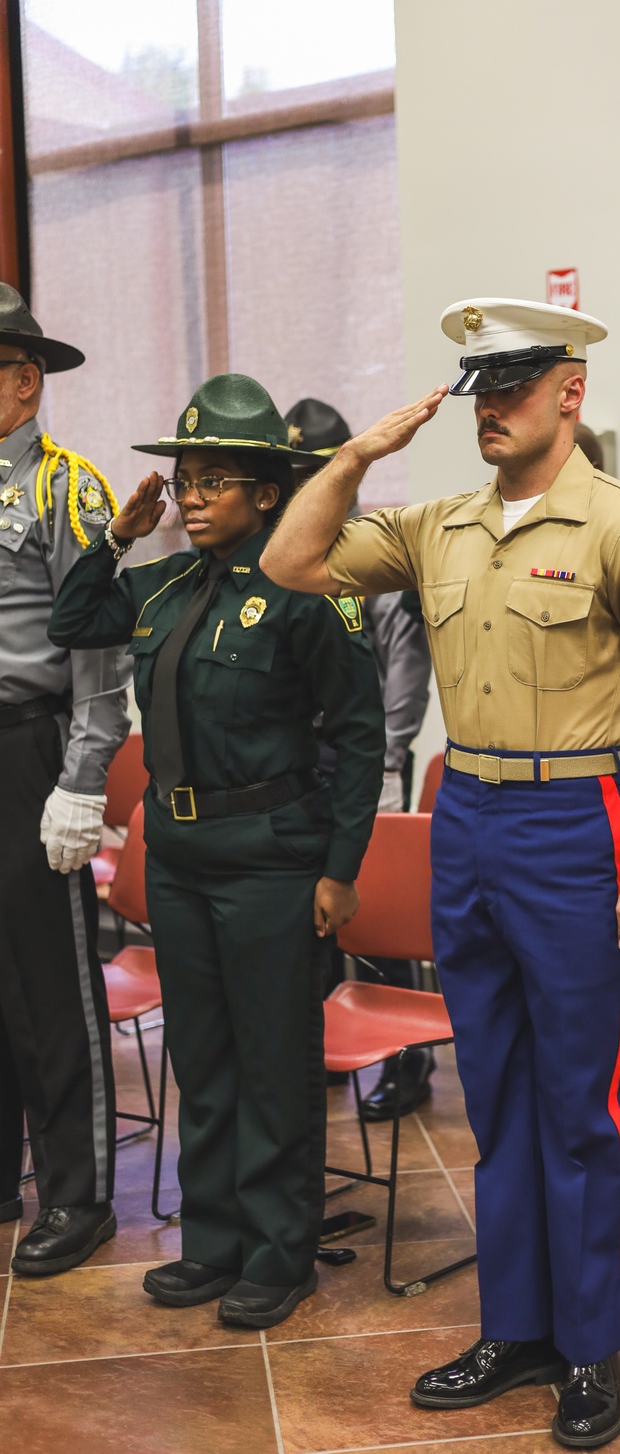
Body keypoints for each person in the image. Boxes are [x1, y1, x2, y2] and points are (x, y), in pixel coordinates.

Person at [262, 298, 620, 1447]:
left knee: (581, 1104)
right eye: (477, 385)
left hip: (574, 820)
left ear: (568, 392)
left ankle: (589, 1348)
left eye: (513, 384)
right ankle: (515, 1324)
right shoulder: (438, 524)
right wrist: (361, 452)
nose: (489, 405)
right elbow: (290, 558)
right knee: (496, 1095)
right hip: (463, 811)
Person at [48, 373, 385, 1328]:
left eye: (213, 481)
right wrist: (119, 534)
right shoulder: (159, 584)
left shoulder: (309, 593)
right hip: (183, 851)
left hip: (274, 853)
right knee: (203, 1055)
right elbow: (73, 623)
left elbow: (359, 734)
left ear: (269, 493)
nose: (191, 497)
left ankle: (281, 1256)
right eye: (184, 479)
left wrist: (340, 868)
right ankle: (216, 1244)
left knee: (275, 1063)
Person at [0, 283, 130, 1277]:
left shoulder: (67, 486)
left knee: (55, 985)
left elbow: (97, 650)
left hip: (30, 746)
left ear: (23, 379)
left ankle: (79, 1198)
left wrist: (82, 781)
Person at [286, 396, 436, 1121]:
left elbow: (405, 677)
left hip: (365, 764)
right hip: (302, 766)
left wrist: (383, 765)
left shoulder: (374, 550)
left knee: (382, 914)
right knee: (315, 912)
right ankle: (328, 1049)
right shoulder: (290, 553)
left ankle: (408, 1065)